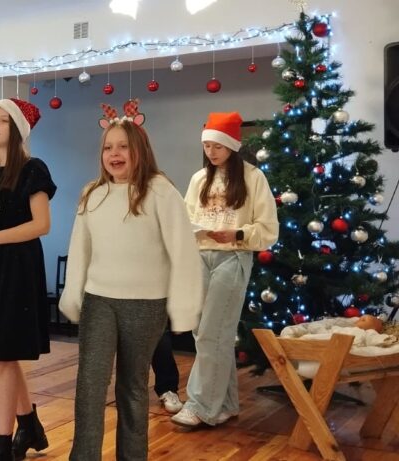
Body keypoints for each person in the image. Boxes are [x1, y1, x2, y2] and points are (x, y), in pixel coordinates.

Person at [59, 102, 203, 460]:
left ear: (139, 150)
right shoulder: (93, 194)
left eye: (123, 146)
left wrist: (184, 307)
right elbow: (80, 249)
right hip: (99, 301)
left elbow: (183, 252)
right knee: (90, 384)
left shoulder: (161, 191)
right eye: (108, 147)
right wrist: (73, 294)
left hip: (146, 304)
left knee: (132, 387)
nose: (114, 154)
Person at [172, 112, 278, 429]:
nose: (211, 152)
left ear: (231, 145)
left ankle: (201, 405)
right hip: (200, 256)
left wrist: (238, 234)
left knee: (213, 332)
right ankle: (227, 403)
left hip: (233, 257)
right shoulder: (199, 179)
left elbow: (268, 229)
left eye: (217, 146)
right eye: (207, 146)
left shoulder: (253, 178)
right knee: (205, 332)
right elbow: (185, 219)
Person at [0, 99, 54, 460]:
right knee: (3, 352)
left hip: (18, 267)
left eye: (4, 120)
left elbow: (41, 225)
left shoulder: (33, 168)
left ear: (17, 129)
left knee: (3, 356)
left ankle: (1, 444)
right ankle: (29, 425)